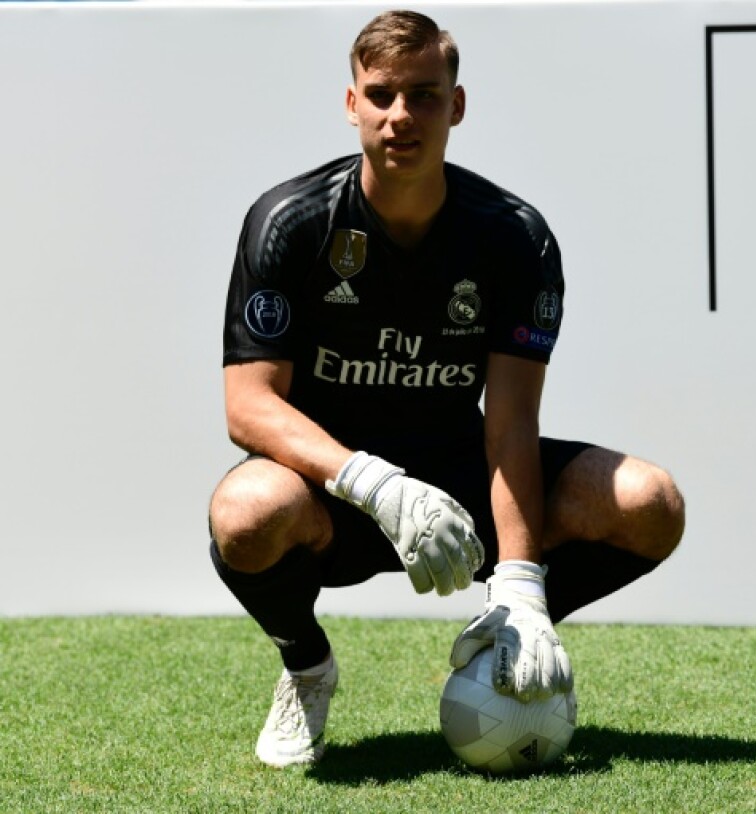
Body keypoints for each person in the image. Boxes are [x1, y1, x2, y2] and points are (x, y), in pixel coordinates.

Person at [208, 9, 685, 768]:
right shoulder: (289, 223)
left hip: (464, 480)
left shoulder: (513, 236)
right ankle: (306, 667)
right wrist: (372, 482)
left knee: (648, 503)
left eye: (424, 95)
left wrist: (524, 584)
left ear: (456, 106)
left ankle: (505, 630)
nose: (402, 116)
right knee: (244, 513)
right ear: (352, 103)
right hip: (337, 489)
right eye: (383, 94)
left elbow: (513, 421)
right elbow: (249, 405)